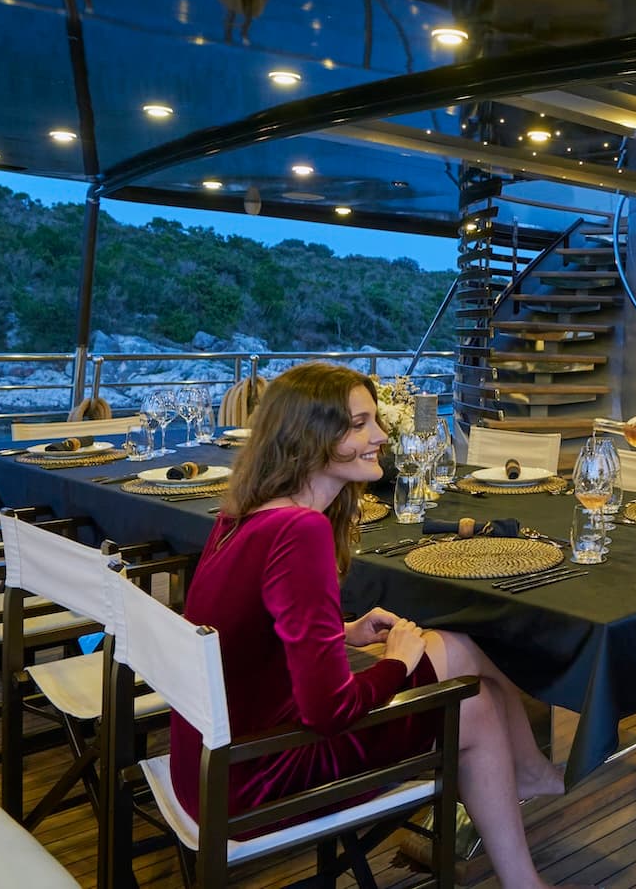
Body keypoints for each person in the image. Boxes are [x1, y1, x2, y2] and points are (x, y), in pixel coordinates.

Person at [168, 361, 585, 889]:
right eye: (360, 424)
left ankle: (526, 768)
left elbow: (244, 634)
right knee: (470, 704)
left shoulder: (241, 515)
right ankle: (525, 878)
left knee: (456, 643)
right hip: (255, 775)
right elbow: (329, 711)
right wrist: (396, 665)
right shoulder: (301, 531)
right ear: (311, 437)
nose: (381, 436)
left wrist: (341, 633)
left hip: (204, 761)